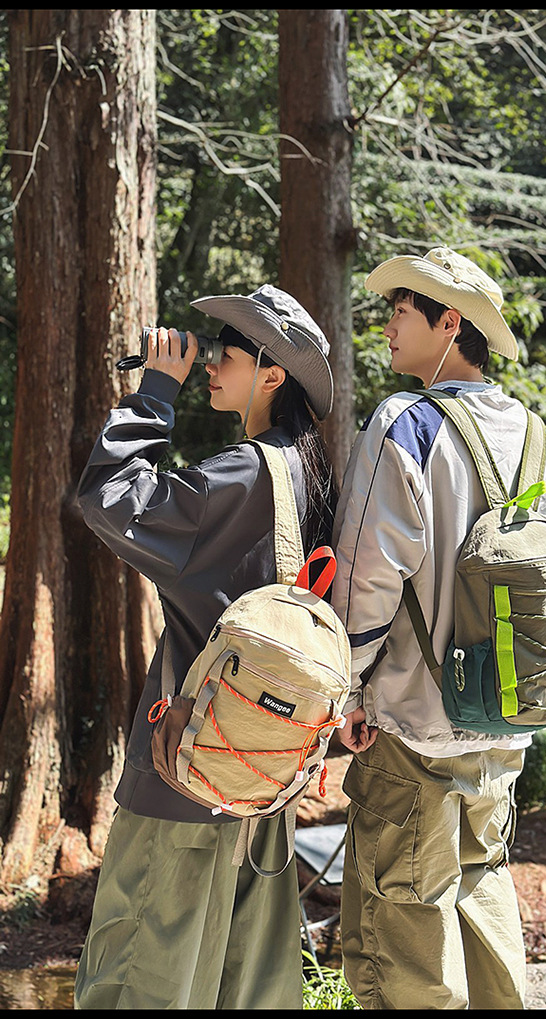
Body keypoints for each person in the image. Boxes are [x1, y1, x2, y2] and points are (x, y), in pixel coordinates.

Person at [331, 246, 546, 1010]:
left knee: (405, 913)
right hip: (507, 721)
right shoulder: (537, 435)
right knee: (482, 883)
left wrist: (346, 691)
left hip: (414, 725)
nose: (386, 327)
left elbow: (367, 576)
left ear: (450, 323)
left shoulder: (405, 425)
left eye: (400, 311)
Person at [74, 285, 338, 1010]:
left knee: (138, 976)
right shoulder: (309, 474)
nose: (211, 361)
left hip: (186, 771)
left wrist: (156, 391)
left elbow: (110, 499)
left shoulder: (247, 472)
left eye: (228, 351)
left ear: (272, 374)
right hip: (264, 777)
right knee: (242, 983)